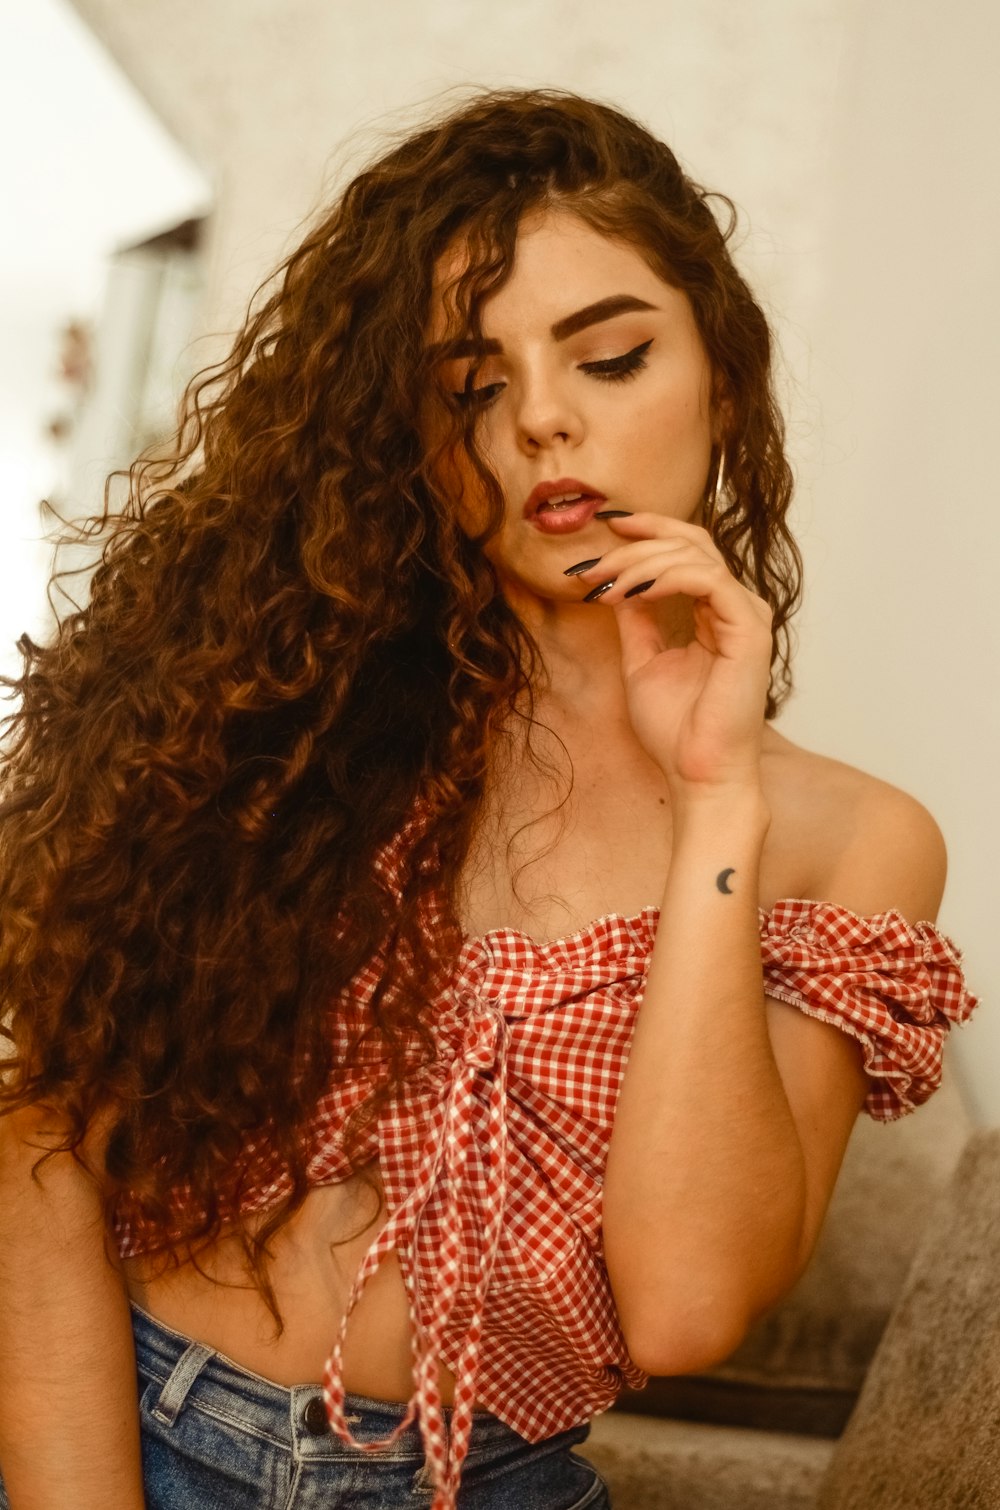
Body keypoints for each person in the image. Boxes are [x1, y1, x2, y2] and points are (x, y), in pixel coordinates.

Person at [0, 88, 978, 1510]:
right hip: (121, 1429)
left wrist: (716, 797)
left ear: (721, 374)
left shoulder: (852, 842)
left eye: (613, 356)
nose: (542, 422)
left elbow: (688, 1307)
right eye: (472, 385)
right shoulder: (270, 719)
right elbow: (37, 1149)